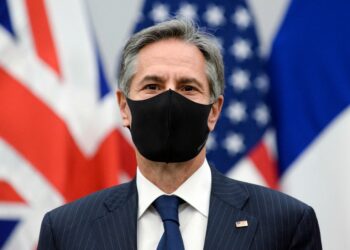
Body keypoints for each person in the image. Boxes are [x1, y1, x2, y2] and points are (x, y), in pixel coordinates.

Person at [38, 18, 322, 250]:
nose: (170, 99)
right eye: (152, 86)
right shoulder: (65, 231)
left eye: (188, 87)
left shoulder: (286, 224)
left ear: (214, 111)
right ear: (124, 107)